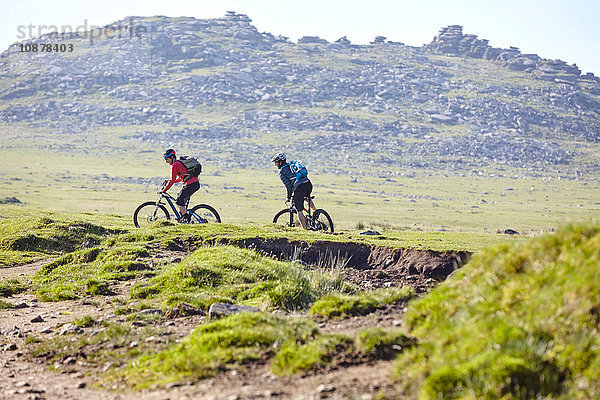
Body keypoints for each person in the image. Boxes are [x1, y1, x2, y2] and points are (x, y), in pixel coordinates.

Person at [271, 152, 315, 230]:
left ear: (280, 162)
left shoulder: (281, 172)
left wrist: (288, 197)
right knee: (306, 197)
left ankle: (305, 230)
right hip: (308, 184)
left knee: (299, 211)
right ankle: (316, 212)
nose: (275, 164)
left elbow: (288, 186)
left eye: (276, 162)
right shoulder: (292, 166)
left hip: (299, 187)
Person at [161, 149, 200, 223]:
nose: (166, 161)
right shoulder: (179, 163)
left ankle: (188, 219)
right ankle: (183, 217)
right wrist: (168, 181)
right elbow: (180, 178)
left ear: (172, 157)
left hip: (191, 185)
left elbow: (172, 180)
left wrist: (164, 190)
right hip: (194, 184)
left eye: (167, 159)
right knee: (179, 196)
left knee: (179, 201)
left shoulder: (175, 165)